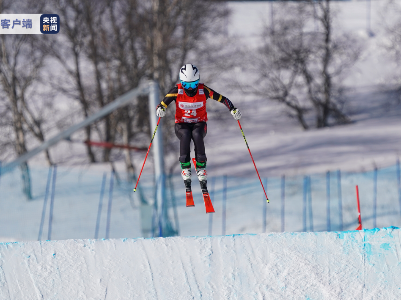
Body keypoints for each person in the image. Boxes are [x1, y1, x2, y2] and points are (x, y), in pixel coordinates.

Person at [156, 63, 241, 196]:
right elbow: (162, 104)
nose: (191, 88)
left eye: (194, 84)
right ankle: (185, 167)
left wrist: (233, 109)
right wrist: (161, 109)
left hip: (199, 125)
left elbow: (223, 99)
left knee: (196, 134)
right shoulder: (177, 91)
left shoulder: (203, 90)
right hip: (181, 125)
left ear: (198, 81)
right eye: (187, 85)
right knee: (185, 134)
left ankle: (201, 167)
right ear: (181, 82)